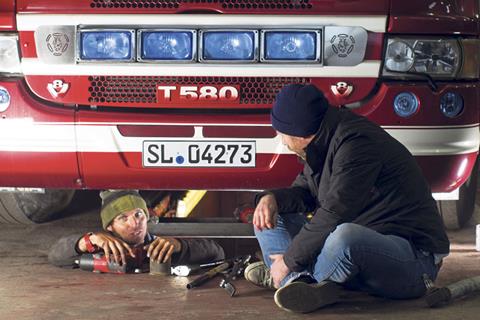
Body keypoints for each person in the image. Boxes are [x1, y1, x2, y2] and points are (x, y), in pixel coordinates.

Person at [244, 84, 450, 313]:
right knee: (268, 215)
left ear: (301, 134)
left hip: (412, 260)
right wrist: (271, 199)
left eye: (282, 133)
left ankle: (290, 278)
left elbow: (335, 212)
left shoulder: (356, 144)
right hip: (362, 256)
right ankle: (299, 284)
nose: (281, 140)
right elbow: (306, 193)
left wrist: (288, 260)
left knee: (345, 236)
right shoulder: (325, 140)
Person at [49, 190, 224, 269]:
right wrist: (89, 240)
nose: (135, 223)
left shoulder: (162, 247)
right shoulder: (99, 247)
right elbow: (56, 255)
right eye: (123, 218)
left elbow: (217, 253)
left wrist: (179, 246)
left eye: (139, 214)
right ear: (109, 226)